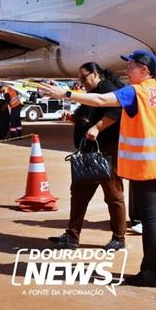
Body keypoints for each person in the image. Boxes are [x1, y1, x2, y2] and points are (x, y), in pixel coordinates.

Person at [39, 49, 156, 288]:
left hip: (146, 166)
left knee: (151, 220)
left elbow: (100, 100)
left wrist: (65, 93)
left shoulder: (135, 92)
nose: (126, 70)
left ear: (144, 70)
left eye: (131, 66)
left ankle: (151, 274)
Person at [48, 62, 127, 251]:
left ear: (96, 74)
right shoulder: (89, 94)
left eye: (84, 78)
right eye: (79, 79)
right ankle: (71, 236)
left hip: (106, 151)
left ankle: (119, 238)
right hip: (89, 153)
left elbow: (117, 110)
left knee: (113, 195)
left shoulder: (105, 88)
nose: (82, 82)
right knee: (79, 194)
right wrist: (72, 118)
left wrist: (97, 127)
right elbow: (86, 117)